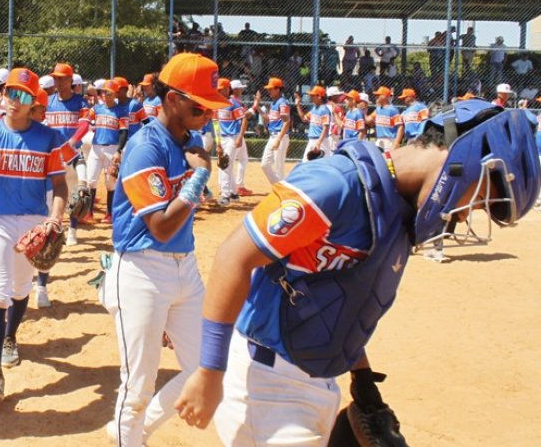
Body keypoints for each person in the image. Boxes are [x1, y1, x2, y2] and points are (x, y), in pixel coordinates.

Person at [174, 100, 541, 446]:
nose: (464, 216)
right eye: (476, 199)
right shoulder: (336, 183)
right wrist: (210, 370)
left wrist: (363, 381)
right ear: (463, 161)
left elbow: (339, 299)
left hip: (318, 382)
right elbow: (232, 258)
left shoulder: (396, 212)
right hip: (266, 383)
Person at [101, 52, 229, 446]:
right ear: (172, 98)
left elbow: (187, 207)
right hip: (142, 271)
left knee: (207, 370)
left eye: (211, 106)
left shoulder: (190, 141)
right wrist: (199, 177)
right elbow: (160, 226)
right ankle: (128, 438)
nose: (207, 113)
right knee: (137, 386)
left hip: (185, 268)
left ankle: (128, 433)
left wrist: (196, 181)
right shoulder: (145, 146)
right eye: (199, 104)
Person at [0, 67, 68, 404]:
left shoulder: (48, 137)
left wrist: (55, 219)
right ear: (1, 96)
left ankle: (10, 337)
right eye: (9, 93)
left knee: (21, 290)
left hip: (33, 220)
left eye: (22, 95)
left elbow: (60, 185)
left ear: (33, 101)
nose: (14, 101)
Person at [44, 63, 91, 252]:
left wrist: (72, 141)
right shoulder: (48, 101)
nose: (58, 81)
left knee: (73, 195)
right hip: (53, 155)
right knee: (49, 195)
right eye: (56, 78)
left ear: (71, 80)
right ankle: (55, 229)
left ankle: (72, 230)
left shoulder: (80, 102)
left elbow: (85, 125)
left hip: (71, 154)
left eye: (62, 78)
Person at [85, 80, 129, 223]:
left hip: (112, 148)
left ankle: (110, 214)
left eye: (109, 92)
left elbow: (124, 132)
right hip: (96, 148)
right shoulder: (96, 109)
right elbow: (85, 122)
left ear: (115, 93)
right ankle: (88, 213)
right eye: (104, 92)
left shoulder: (121, 111)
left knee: (111, 182)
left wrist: (119, 151)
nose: (106, 95)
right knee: (90, 180)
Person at [214, 78, 248, 206]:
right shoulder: (217, 104)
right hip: (222, 138)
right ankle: (233, 193)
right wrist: (218, 143)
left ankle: (225, 195)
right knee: (227, 165)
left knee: (225, 165)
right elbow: (215, 123)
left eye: (220, 89)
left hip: (232, 138)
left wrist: (240, 137)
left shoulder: (233, 104)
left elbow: (244, 119)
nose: (218, 91)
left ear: (227, 89)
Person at [255, 77, 291, 185]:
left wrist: (279, 139)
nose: (268, 91)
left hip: (280, 136)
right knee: (264, 164)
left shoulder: (282, 102)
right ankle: (278, 187)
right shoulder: (273, 103)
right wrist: (257, 107)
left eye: (271, 89)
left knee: (279, 168)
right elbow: (268, 118)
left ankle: (281, 191)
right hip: (272, 136)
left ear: (278, 89)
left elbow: (287, 121)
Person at [293, 85, 331, 161]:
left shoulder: (324, 110)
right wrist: (298, 105)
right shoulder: (314, 109)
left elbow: (325, 128)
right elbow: (304, 118)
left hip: (322, 141)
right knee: (305, 162)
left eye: (313, 95)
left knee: (323, 164)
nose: (311, 97)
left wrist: (319, 143)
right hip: (312, 140)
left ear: (319, 97)